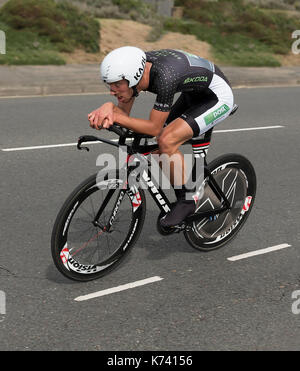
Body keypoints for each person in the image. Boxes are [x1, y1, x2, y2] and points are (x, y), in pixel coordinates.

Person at [88, 46, 234, 227]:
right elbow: (124, 116)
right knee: (156, 148)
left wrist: (115, 115)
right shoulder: (134, 74)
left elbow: (154, 128)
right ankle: (190, 194)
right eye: (109, 85)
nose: (112, 90)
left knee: (166, 139)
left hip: (217, 97)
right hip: (193, 93)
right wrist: (109, 109)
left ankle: (187, 202)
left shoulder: (165, 77)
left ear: (134, 78)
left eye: (117, 85)